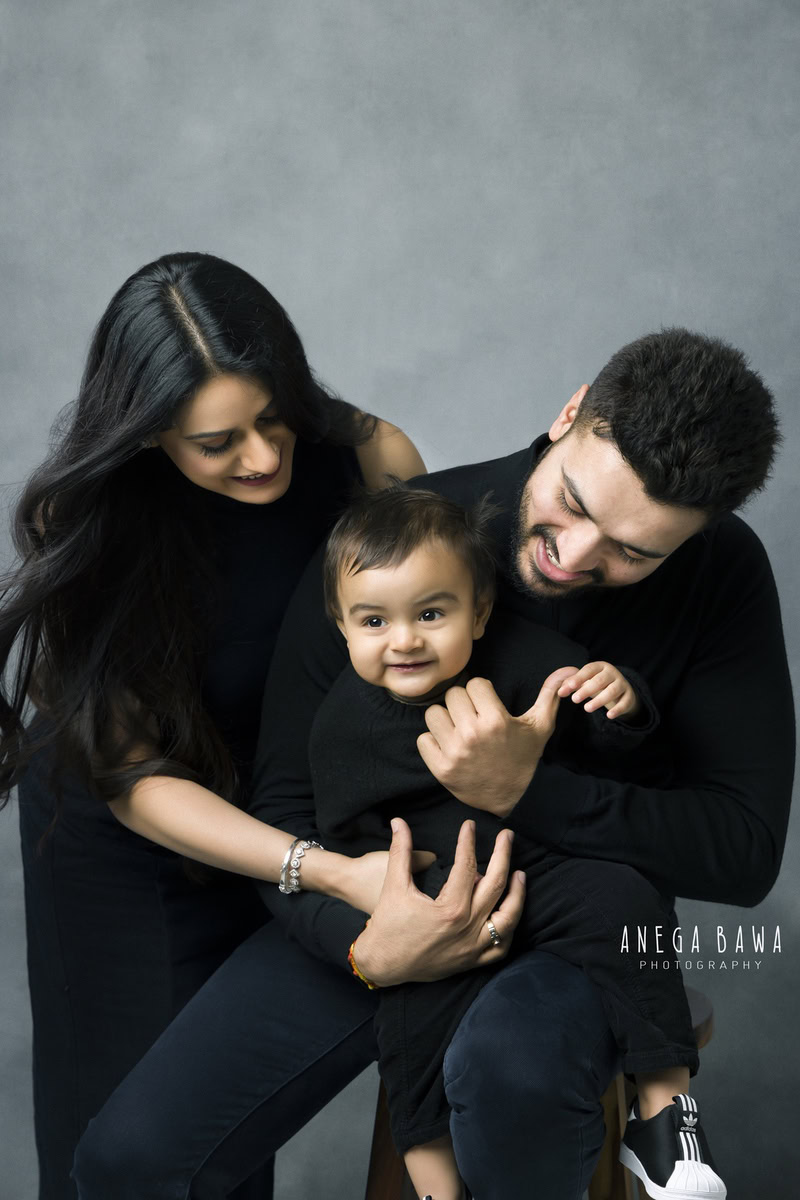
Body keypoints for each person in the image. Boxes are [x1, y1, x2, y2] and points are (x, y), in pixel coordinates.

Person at [70, 327, 793, 1200]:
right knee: (132, 1158)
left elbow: (744, 853)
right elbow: (289, 799)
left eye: (633, 553)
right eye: (572, 503)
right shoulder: (400, 537)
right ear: (569, 417)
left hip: (572, 922)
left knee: (510, 1077)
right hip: (381, 899)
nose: (575, 555)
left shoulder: (723, 578)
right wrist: (376, 942)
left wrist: (526, 789)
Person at [0, 250, 428, 1200]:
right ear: (149, 437)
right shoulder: (87, 518)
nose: (264, 456)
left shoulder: (370, 457)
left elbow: (427, 633)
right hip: (125, 855)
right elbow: (133, 782)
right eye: (218, 442)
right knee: (114, 1159)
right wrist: (314, 867)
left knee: (216, 1141)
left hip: (291, 808)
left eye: (272, 415)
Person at [318, 482, 725, 1200]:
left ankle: (664, 1116)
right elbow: (343, 840)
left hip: (542, 871)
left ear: (479, 613)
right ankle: (438, 1191)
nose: (404, 640)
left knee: (628, 904)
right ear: (341, 625)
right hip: (441, 903)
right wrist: (384, 889)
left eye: (431, 614)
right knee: (408, 1042)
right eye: (374, 621)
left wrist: (619, 698)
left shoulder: (524, 657)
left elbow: (606, 741)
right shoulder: (340, 726)